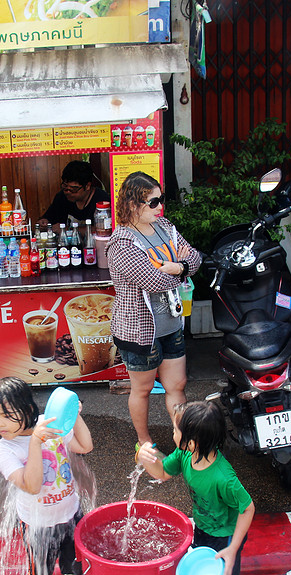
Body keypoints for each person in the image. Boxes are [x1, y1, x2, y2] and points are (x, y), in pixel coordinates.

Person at [137, 401, 255, 575]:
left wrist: (232, 550)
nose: (173, 434)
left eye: (176, 430)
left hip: (225, 539)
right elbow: (163, 473)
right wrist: (146, 460)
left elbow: (248, 508)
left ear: (193, 441)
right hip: (203, 528)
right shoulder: (186, 457)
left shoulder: (223, 477)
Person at [0, 376, 94, 575]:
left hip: (70, 512)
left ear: (28, 410)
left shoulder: (50, 424)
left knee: (75, 569)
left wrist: (74, 414)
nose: (0, 424)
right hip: (38, 524)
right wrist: (35, 443)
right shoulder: (5, 448)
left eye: (7, 417)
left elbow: (84, 446)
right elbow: (31, 485)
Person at [105, 171, 202, 446]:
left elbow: (194, 257)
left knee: (177, 385)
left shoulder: (166, 227)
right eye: (154, 202)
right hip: (139, 331)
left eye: (161, 200)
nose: (161, 207)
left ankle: (184, 441)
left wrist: (179, 267)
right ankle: (144, 441)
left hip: (171, 324)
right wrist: (179, 269)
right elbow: (154, 280)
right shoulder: (122, 243)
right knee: (143, 389)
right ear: (134, 205)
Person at [40, 160, 111, 226]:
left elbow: (103, 228)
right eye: (65, 187)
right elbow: (48, 218)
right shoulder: (61, 197)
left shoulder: (102, 200)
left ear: (87, 186)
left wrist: (65, 230)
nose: (68, 192)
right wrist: (43, 222)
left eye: (73, 189)